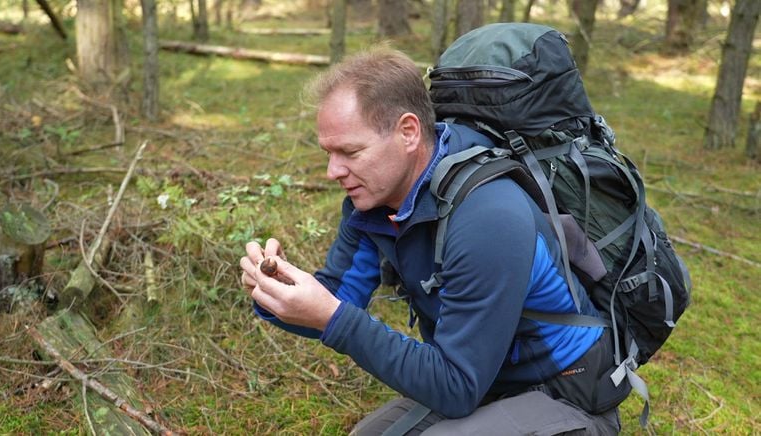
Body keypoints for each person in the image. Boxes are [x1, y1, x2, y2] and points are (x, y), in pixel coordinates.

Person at [239, 47, 622, 435]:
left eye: (349, 152)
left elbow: (455, 387)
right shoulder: (373, 200)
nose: (332, 171)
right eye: (328, 153)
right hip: (489, 382)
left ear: (408, 132)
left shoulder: (487, 216)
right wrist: (277, 291)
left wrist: (333, 318)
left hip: (568, 391)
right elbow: (339, 294)